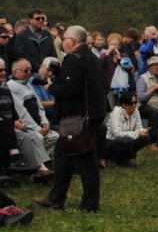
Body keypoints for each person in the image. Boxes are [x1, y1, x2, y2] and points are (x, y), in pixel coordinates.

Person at [35, 26, 109, 213]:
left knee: (84, 161)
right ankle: (56, 198)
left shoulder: (74, 59)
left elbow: (69, 89)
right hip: (93, 115)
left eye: (65, 39)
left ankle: (89, 204)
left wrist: (50, 87)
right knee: (64, 157)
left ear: (72, 41)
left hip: (78, 119)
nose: (63, 42)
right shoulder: (93, 58)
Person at [103, 91, 149, 167]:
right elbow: (117, 133)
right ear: (124, 105)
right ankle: (112, 159)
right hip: (110, 141)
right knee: (127, 140)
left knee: (145, 138)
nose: (134, 105)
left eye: (135, 102)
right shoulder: (116, 112)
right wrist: (137, 133)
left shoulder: (136, 110)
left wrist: (144, 131)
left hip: (126, 139)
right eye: (131, 103)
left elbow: (139, 127)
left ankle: (125, 158)